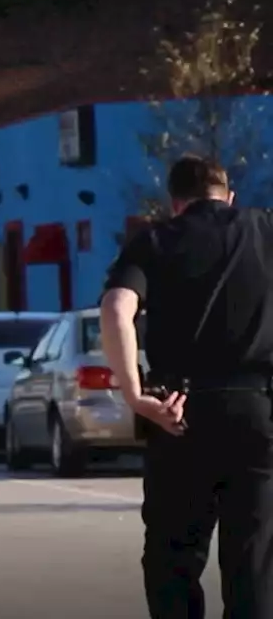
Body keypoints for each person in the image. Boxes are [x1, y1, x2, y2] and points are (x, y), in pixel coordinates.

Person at [100, 154, 273, 619]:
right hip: (257, 409)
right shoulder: (264, 229)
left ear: (175, 204)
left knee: (172, 560)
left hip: (177, 410)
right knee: (253, 562)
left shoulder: (153, 241)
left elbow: (117, 309)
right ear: (229, 196)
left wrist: (136, 395)